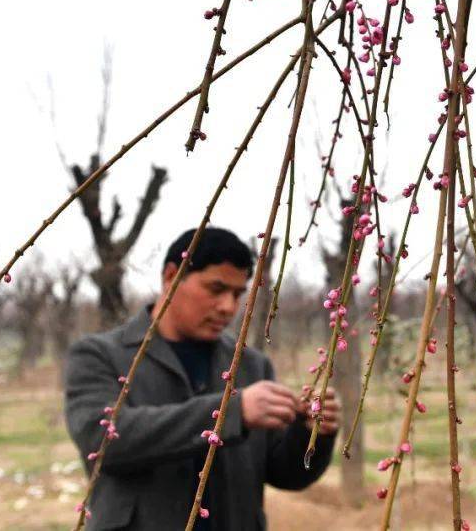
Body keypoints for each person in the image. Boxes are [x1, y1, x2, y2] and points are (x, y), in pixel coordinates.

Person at [64, 227, 339, 530]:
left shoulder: (250, 365)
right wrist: (232, 413)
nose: (228, 307)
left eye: (237, 294)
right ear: (171, 276)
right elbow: (105, 441)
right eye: (216, 289)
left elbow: (284, 472)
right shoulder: (100, 356)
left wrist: (313, 433)